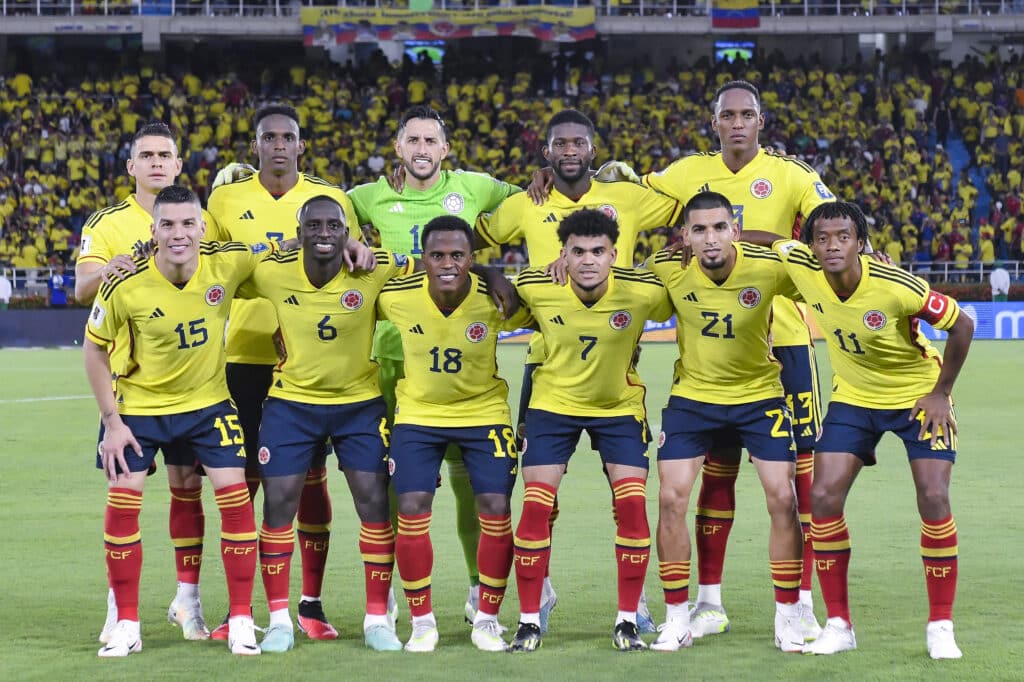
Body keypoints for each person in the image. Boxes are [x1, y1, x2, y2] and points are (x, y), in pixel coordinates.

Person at [600, 80, 835, 637]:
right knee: (717, 479)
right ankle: (708, 601)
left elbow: (831, 229)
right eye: (726, 115)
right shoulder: (684, 174)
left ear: (761, 121)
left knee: (798, 480)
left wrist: (742, 239)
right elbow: (623, 192)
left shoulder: (793, 175)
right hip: (710, 356)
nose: (736, 123)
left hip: (786, 346)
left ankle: (799, 600)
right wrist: (583, 179)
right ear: (714, 122)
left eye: (746, 114)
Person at [475, 108, 682, 634]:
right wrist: (499, 275)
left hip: (618, 363)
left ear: (593, 149)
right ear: (546, 153)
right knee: (540, 500)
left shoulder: (630, 201)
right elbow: (471, 239)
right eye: (559, 144)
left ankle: (632, 608)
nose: (569, 151)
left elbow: (691, 206)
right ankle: (535, 596)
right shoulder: (526, 202)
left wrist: (639, 178)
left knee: (630, 502)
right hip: (548, 368)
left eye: (579, 143)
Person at [772, 202, 973, 659]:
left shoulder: (896, 285)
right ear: (811, 245)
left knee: (934, 496)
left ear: (861, 243)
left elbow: (963, 324)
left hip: (917, 395)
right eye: (821, 238)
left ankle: (941, 625)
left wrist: (941, 393)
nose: (831, 246)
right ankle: (839, 624)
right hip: (854, 399)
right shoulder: (802, 265)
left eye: (843, 236)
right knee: (822, 498)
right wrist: (716, 237)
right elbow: (768, 239)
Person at [347, 105, 521, 624]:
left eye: (431, 141)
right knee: (397, 484)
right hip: (391, 356)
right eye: (413, 141)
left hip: (462, 360)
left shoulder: (478, 187)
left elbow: (538, 207)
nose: (422, 150)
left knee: (473, 483)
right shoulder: (367, 198)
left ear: (446, 150)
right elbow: (324, 220)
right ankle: (395, 593)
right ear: (397, 149)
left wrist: (490, 265)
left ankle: (476, 589)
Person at [207, 104, 369, 641]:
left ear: (302, 145)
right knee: (248, 486)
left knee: (311, 483)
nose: (279, 145)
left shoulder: (330, 199)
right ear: (255, 145)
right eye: (268, 137)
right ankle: (242, 610)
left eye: (288, 137)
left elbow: (358, 255)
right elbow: (211, 264)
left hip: (307, 364)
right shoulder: (225, 198)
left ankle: (311, 603)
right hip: (243, 356)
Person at [83, 186, 266, 657]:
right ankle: (125, 623)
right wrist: (112, 421)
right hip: (139, 411)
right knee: (123, 505)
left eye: (188, 224)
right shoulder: (123, 282)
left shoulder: (228, 263)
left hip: (208, 406)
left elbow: (287, 259)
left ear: (203, 228)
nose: (179, 234)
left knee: (236, 499)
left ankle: (242, 618)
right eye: (168, 225)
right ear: (153, 230)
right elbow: (94, 348)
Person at [238, 195, 414, 653]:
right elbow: (221, 274)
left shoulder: (372, 270)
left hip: (359, 404)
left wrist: (494, 275)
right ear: (298, 233)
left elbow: (427, 262)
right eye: (312, 225)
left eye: (332, 225)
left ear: (346, 232)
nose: (322, 233)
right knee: (278, 504)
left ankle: (377, 618)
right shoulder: (272, 271)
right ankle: (279, 619)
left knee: (374, 503)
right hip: (291, 404)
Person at [75, 122, 221, 645]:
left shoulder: (198, 215)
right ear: (131, 165)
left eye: (166, 154)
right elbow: (81, 287)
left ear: (179, 165)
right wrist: (108, 271)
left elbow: (221, 273)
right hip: (128, 387)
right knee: (124, 493)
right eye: (147, 155)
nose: (157, 162)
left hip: (192, 385)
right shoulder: (108, 223)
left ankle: (188, 602)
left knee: (188, 490)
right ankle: (120, 610)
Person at [644, 192, 807, 653]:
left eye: (719, 227)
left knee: (782, 497)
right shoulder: (668, 268)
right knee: (671, 497)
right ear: (685, 237)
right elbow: (621, 292)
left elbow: (826, 279)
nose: (710, 238)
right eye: (699, 230)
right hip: (693, 400)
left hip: (760, 398)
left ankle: (788, 616)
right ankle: (678, 618)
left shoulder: (769, 265)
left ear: (735, 229)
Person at [509, 209, 672, 653]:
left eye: (598, 251)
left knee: (633, 505)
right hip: (552, 407)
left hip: (617, 408)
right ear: (563, 254)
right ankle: (529, 620)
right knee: (537, 507)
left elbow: (690, 283)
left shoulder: (641, 291)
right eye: (577, 251)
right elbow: (489, 288)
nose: (587, 260)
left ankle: (628, 619)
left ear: (614, 255)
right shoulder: (536, 285)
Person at [376, 216, 529, 653]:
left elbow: (554, 315)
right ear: (423, 258)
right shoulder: (397, 295)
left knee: (495, 507)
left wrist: (495, 276)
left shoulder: (497, 298)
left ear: (472, 259)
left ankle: (487, 618)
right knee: (409, 506)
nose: (447, 263)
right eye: (438, 255)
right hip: (419, 414)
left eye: (458, 255)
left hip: (483, 414)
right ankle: (422, 621)